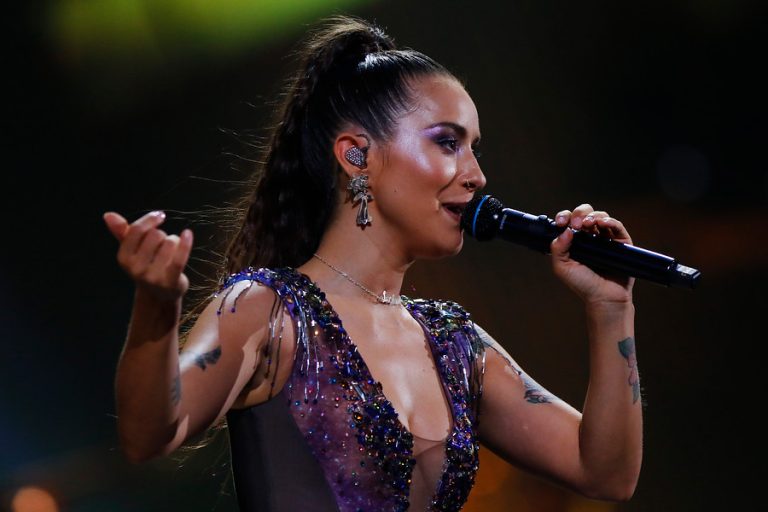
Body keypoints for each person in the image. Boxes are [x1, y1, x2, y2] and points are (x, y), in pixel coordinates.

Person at [103, 15, 642, 512]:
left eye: (474, 149)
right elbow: (148, 435)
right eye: (448, 142)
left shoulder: (456, 346)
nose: (476, 175)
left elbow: (606, 473)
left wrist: (611, 307)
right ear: (356, 155)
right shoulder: (267, 311)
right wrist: (157, 310)